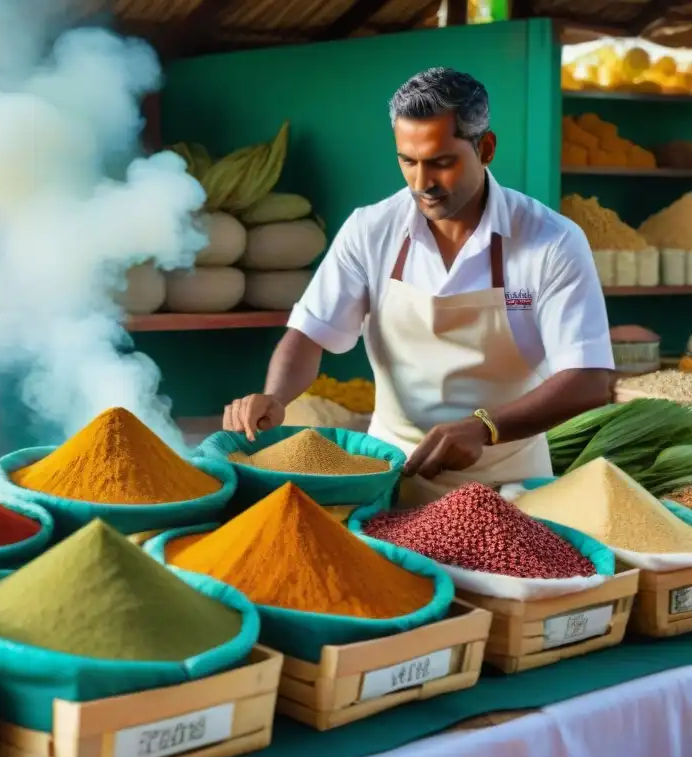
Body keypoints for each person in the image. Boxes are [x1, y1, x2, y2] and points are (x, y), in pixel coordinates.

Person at [223, 67, 613, 504]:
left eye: (441, 162)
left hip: (512, 490)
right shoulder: (370, 230)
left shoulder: (552, 241)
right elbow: (309, 332)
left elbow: (589, 379)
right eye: (408, 161)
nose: (422, 183)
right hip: (388, 479)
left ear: (485, 148)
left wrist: (485, 427)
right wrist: (274, 397)